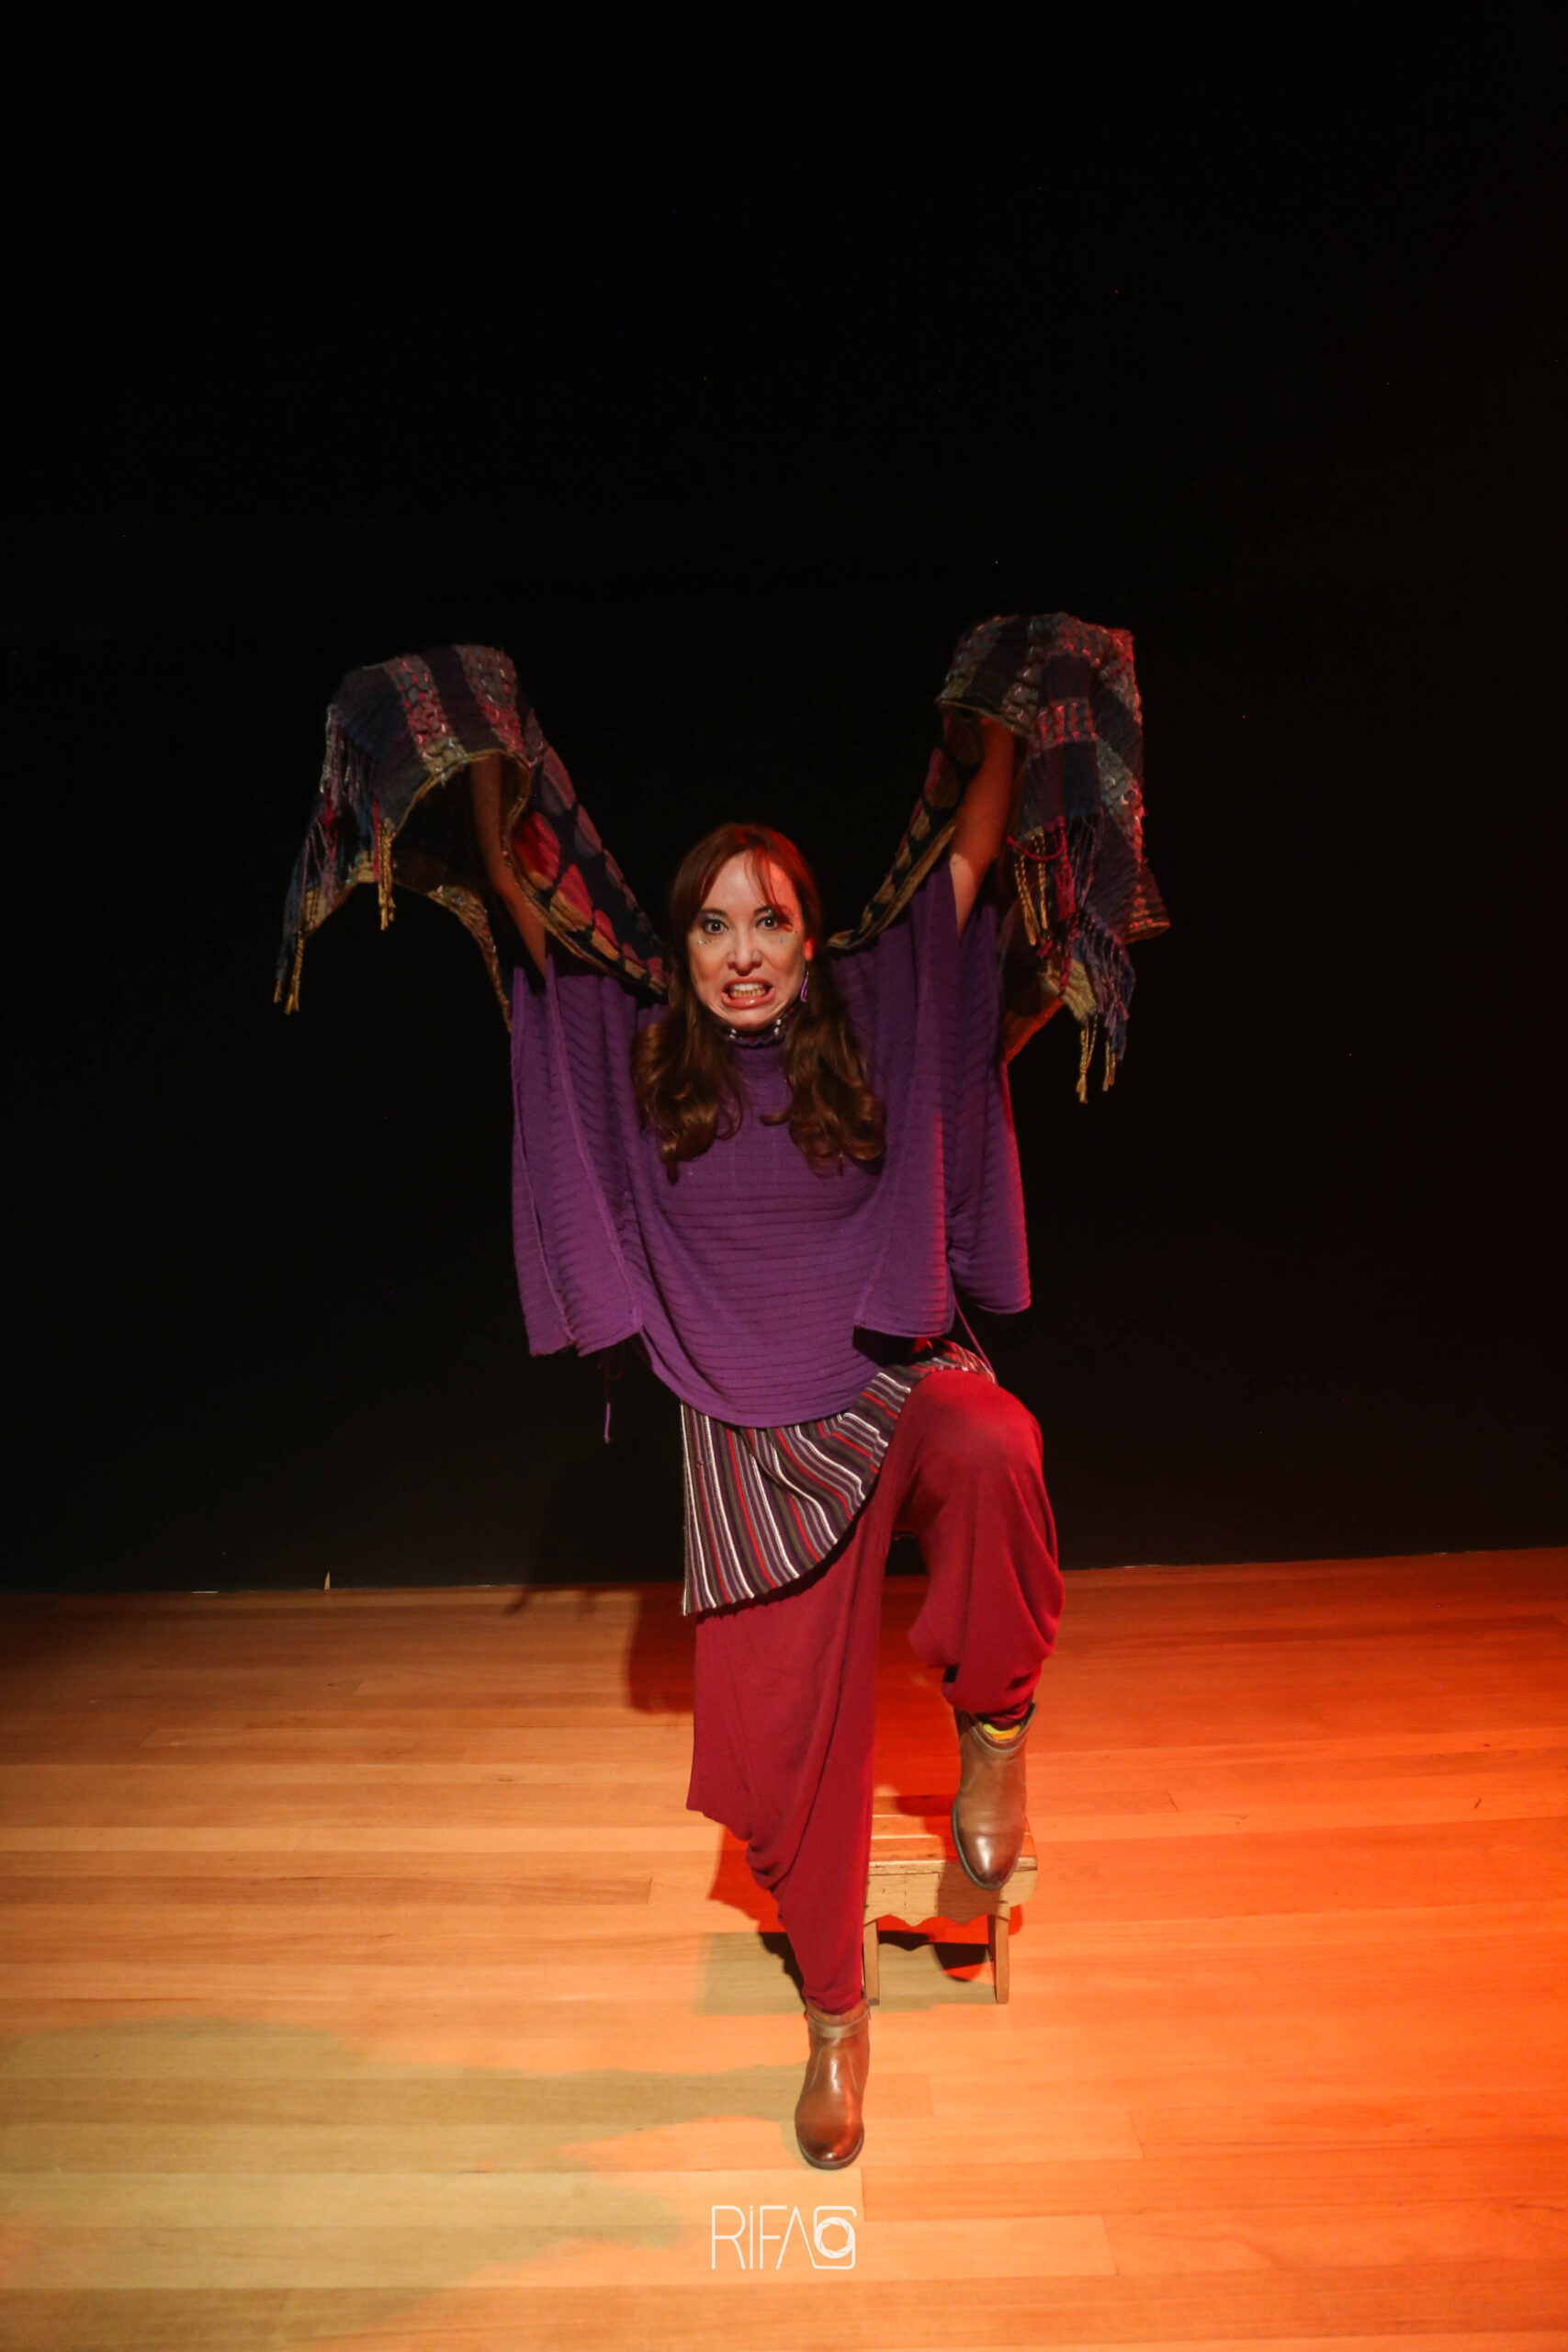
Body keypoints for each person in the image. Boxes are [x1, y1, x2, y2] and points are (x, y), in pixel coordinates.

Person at [468, 726, 1066, 2169]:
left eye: (771, 922)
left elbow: (968, 860)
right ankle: (835, 2023)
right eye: (715, 926)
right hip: (750, 1438)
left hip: (886, 1383)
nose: (744, 953)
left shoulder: (866, 1023)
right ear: (679, 949)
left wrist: (1005, 715)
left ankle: (995, 1739)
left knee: (996, 1440)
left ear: (811, 939)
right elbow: (518, 893)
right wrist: (485, 753)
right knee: (796, 1757)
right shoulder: (636, 1056)